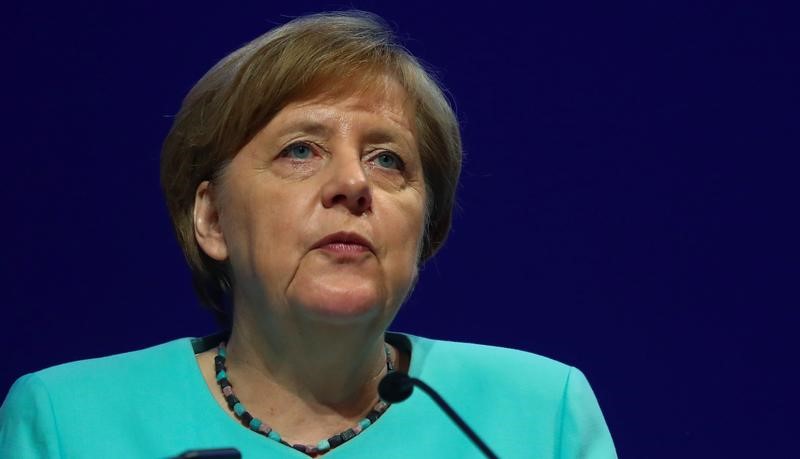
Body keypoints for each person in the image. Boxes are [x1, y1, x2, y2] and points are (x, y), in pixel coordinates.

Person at [0, 11, 617, 458]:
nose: (352, 183)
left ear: (427, 228)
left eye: (388, 159)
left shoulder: (540, 414)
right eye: (301, 150)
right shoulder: (67, 422)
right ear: (212, 219)